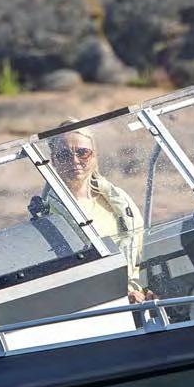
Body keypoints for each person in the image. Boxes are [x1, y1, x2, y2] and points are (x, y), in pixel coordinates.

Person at [37, 125, 151, 302]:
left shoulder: (119, 199)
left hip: (135, 295)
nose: (75, 161)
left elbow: (139, 254)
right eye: (64, 155)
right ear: (53, 161)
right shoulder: (46, 215)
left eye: (83, 152)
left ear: (95, 155)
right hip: (90, 303)